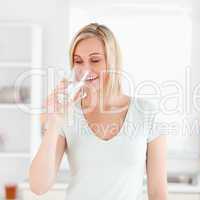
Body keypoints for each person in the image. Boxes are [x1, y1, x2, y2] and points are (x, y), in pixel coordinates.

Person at [29, 23, 168, 200]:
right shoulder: (68, 114)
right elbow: (38, 186)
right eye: (78, 61)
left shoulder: (146, 113)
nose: (86, 70)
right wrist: (55, 122)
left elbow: (158, 193)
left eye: (95, 60)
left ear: (113, 61)